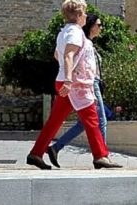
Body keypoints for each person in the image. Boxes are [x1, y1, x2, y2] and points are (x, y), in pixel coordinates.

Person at [26, 0, 121, 170]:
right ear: (78, 15)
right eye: (84, 12)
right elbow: (69, 55)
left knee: (55, 120)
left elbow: (58, 55)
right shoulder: (75, 32)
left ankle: (36, 153)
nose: (86, 16)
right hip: (76, 84)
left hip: (66, 82)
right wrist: (70, 78)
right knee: (92, 119)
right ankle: (100, 156)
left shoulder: (64, 32)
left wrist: (65, 73)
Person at [46, 13, 111, 168]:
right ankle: (103, 156)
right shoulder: (82, 41)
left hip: (91, 83)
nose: (101, 28)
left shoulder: (89, 44)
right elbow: (60, 55)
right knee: (100, 120)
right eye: (99, 25)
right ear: (91, 25)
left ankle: (55, 148)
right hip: (89, 84)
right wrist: (72, 74)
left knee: (85, 122)